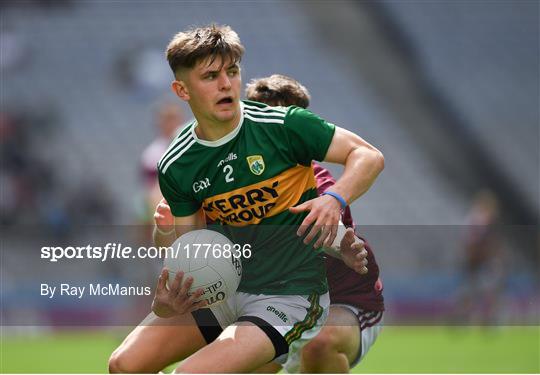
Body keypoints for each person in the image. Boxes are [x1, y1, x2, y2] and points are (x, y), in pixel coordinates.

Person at [109, 24, 384, 373]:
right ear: (182, 90)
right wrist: (169, 297)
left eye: (232, 72)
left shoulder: (285, 126)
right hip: (226, 292)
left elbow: (369, 156)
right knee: (123, 364)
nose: (225, 83)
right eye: (210, 75)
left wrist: (334, 200)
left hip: (289, 296)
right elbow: (191, 248)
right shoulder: (177, 164)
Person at [245, 74, 384, 373]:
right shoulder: (232, 182)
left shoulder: (318, 183)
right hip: (279, 303)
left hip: (344, 300)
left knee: (319, 344)